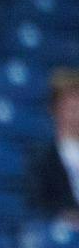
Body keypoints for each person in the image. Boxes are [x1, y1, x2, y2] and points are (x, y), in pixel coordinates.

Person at [25, 68, 79, 225]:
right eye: (70, 108)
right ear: (55, 110)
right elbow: (37, 203)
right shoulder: (41, 158)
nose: (75, 115)